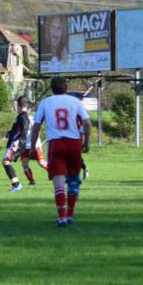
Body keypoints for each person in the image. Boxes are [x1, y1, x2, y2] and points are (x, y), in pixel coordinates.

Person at [29, 76, 90, 226]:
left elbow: (36, 127)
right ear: (66, 88)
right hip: (74, 143)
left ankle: (62, 217)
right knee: (73, 180)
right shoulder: (75, 102)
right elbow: (87, 123)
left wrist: (32, 147)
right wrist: (86, 143)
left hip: (56, 144)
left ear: (52, 88)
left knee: (59, 182)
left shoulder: (45, 103)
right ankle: (70, 215)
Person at [2, 95, 33, 192]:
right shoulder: (21, 116)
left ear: (19, 105)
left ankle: (16, 185)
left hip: (17, 143)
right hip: (17, 141)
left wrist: (17, 140)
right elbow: (17, 129)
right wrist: (9, 133)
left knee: (6, 161)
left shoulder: (23, 116)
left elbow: (24, 129)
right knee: (6, 161)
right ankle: (16, 184)